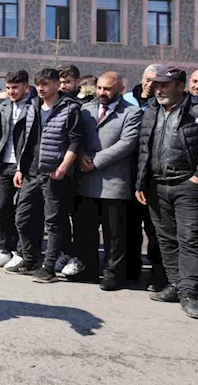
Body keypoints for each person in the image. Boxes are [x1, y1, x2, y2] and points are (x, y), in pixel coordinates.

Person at [135, 67, 198, 319]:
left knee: (190, 239)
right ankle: (174, 285)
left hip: (187, 185)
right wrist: (140, 183)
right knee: (165, 239)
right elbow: (144, 148)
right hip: (156, 185)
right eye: (156, 84)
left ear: (180, 87)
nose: (158, 89)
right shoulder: (152, 110)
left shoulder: (194, 110)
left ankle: (190, 292)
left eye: (165, 85)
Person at [8, 68, 81, 283]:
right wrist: (20, 168)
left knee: (54, 222)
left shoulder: (70, 108)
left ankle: (48, 268)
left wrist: (63, 168)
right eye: (38, 84)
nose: (41, 88)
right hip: (30, 172)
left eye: (46, 84)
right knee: (22, 218)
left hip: (53, 173)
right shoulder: (33, 106)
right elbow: (26, 140)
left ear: (57, 85)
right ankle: (30, 259)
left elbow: (75, 141)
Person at [72, 72, 142, 290]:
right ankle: (88, 269)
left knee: (115, 234)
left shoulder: (132, 113)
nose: (101, 93)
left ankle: (113, 273)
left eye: (107, 89)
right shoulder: (85, 110)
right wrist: (81, 154)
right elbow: (76, 137)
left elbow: (127, 143)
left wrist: (95, 161)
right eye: (99, 88)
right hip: (85, 181)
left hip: (114, 183)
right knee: (85, 230)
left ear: (120, 90)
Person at [123, 64, 167, 291]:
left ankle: (158, 276)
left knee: (154, 230)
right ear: (142, 79)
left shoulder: (163, 105)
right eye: (148, 80)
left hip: (152, 176)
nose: (151, 85)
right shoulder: (126, 100)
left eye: (156, 81)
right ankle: (131, 271)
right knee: (129, 227)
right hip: (127, 174)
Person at [0, 70, 33, 269]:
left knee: (24, 213)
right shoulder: (3, 106)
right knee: (0, 209)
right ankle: (4, 249)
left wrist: (23, 166)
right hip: (3, 164)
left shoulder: (34, 106)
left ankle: (21, 252)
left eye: (15, 88)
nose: (11, 92)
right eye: (8, 88)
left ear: (26, 87)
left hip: (25, 166)